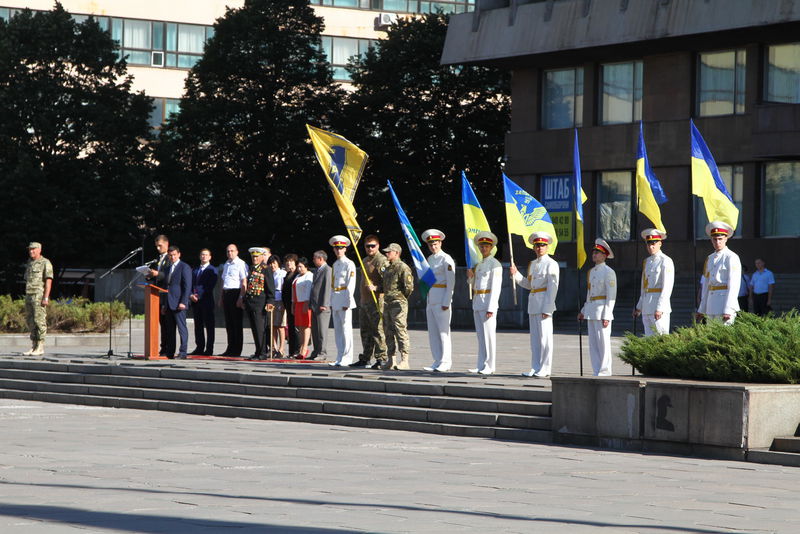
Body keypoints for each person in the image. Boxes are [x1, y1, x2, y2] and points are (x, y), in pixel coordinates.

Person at [510, 231, 559, 378]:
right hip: (533, 304)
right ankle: (536, 367)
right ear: (534, 247)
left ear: (547, 247)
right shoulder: (533, 264)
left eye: (543, 245)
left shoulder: (551, 264)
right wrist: (516, 274)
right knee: (535, 340)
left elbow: (553, 288)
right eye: (537, 245)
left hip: (544, 304)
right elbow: (529, 284)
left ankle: (545, 368)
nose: (540, 248)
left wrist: (548, 308)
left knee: (545, 339)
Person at [578, 239, 617, 376]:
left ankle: (605, 370)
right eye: (594, 252)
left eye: (598, 252)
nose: (594, 254)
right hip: (591, 310)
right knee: (593, 343)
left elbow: (611, 295)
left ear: (605, 255)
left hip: (602, 311)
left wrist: (607, 315)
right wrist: (583, 310)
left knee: (603, 343)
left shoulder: (608, 272)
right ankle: (596, 370)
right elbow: (590, 293)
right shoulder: (591, 272)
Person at [467, 231, 502, 375]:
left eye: (486, 246)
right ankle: (481, 364)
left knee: (488, 335)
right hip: (478, 301)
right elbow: (474, 284)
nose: (483, 249)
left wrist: (491, 307)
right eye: (481, 246)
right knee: (480, 336)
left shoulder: (495, 264)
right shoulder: (479, 264)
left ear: (491, 247)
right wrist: (470, 277)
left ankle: (490, 365)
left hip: (488, 302)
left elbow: (496, 287)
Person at [421, 229, 455, 372]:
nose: (433, 247)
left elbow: (451, 282)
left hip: (442, 297)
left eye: (435, 244)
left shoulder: (446, 259)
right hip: (431, 297)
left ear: (440, 243)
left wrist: (447, 302)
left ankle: (446, 361)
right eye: (430, 244)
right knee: (433, 332)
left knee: (443, 332)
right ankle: (437, 360)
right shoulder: (429, 259)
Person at [351, 235, 388, 368]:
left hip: (377, 301)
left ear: (378, 246)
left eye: (373, 246)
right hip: (365, 301)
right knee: (365, 331)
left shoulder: (382, 261)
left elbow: (389, 282)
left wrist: (377, 287)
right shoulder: (365, 260)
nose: (370, 248)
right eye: (368, 246)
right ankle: (366, 358)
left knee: (378, 331)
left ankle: (382, 358)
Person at [697, 221, 741, 325]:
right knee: (711, 338)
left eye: (720, 239)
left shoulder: (731, 257)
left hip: (724, 303)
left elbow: (734, 285)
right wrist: (702, 308)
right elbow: (706, 285)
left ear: (726, 238)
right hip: (711, 305)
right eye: (714, 239)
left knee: (724, 338)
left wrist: (729, 308)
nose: (717, 242)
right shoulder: (710, 258)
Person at [633, 229, 674, 337]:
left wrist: (660, 308)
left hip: (658, 307)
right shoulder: (647, 262)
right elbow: (644, 287)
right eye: (648, 244)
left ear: (660, 243)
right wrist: (639, 307)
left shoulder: (665, 260)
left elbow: (667, 287)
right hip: (647, 306)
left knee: (660, 339)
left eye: (653, 244)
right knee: (648, 340)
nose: (651, 247)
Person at [381, 243, 414, 370]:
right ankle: (391, 359)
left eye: (389, 252)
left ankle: (405, 360)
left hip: (398, 303)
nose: (387, 253)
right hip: (388, 303)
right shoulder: (388, 268)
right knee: (388, 331)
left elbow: (409, 287)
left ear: (397, 253)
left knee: (400, 331)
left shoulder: (402, 267)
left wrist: (400, 298)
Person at [329, 235, 357, 366]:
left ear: (345, 249)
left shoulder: (349, 264)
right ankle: (340, 356)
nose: (338, 250)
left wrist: (348, 301)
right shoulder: (335, 264)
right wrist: (331, 301)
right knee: (338, 330)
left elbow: (351, 284)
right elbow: (332, 284)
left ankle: (347, 357)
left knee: (346, 330)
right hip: (336, 297)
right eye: (336, 248)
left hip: (344, 297)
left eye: (341, 248)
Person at [22, 242, 53, 356]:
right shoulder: (29, 263)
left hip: (39, 296)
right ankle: (34, 345)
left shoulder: (45, 263)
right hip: (29, 295)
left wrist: (45, 297)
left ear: (39, 249)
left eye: (33, 249)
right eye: (30, 249)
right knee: (30, 321)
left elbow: (48, 281)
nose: (31, 251)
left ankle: (40, 346)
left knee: (39, 321)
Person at [244, 247, 275, 360]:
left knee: (260, 328)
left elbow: (270, 286)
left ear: (262, 257)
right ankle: (258, 351)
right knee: (254, 328)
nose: (255, 258)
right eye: (253, 256)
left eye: (257, 256)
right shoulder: (251, 268)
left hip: (260, 303)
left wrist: (270, 301)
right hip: (251, 302)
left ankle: (262, 352)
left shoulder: (265, 269)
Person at [162, 246, 192, 359]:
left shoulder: (184, 267)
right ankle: (170, 352)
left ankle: (183, 352)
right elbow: (166, 287)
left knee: (181, 328)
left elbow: (187, 286)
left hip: (179, 302)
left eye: (174, 254)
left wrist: (184, 301)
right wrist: (164, 304)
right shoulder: (168, 268)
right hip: (169, 303)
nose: (172, 257)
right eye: (170, 255)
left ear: (179, 254)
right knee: (169, 330)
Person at [218, 244, 248, 357]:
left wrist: (241, 297)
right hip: (227, 293)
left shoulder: (241, 264)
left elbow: (244, 281)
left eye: (232, 251)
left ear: (237, 252)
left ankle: (237, 350)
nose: (230, 253)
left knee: (236, 323)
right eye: (228, 251)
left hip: (236, 293)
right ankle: (230, 348)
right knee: (229, 323)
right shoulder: (226, 264)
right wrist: (221, 297)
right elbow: (223, 281)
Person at [189, 248, 218, 355]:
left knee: (209, 326)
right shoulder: (195, 270)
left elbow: (210, 286)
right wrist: (191, 295)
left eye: (206, 255)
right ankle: (199, 347)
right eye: (202, 254)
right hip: (195, 302)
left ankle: (209, 349)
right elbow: (191, 284)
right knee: (198, 325)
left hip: (206, 301)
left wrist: (198, 295)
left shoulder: (212, 270)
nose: (204, 256)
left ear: (210, 257)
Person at [147, 234, 170, 356]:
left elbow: (168, 276)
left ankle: (167, 348)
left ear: (167, 244)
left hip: (166, 294)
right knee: (161, 323)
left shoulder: (170, 258)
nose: (157, 248)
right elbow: (157, 277)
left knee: (167, 324)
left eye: (160, 246)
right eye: (156, 246)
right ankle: (161, 347)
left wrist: (157, 274)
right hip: (156, 295)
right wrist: (149, 275)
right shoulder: (157, 259)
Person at [309, 250, 331, 361]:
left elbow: (327, 288)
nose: (313, 260)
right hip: (314, 305)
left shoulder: (327, 270)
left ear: (321, 259)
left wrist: (325, 303)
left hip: (322, 306)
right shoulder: (317, 270)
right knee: (315, 330)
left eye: (314, 258)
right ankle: (316, 350)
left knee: (322, 331)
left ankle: (322, 352)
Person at [292, 257, 314, 359]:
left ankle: (305, 347)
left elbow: (308, 290)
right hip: (297, 302)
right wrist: (293, 303)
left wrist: (306, 302)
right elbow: (294, 291)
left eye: (301, 266)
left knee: (306, 326)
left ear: (306, 267)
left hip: (305, 302)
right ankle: (301, 346)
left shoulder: (309, 276)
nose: (299, 268)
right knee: (300, 326)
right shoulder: (297, 276)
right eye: (298, 266)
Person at [267, 255, 287, 357]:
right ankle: (273, 347)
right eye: (270, 263)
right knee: (272, 325)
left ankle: (281, 348)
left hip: (280, 300)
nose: (272, 265)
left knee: (280, 325)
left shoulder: (282, 273)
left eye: (274, 263)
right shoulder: (270, 274)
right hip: (272, 300)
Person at [282, 253, 299, 357]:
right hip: (288, 304)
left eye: (291, 262)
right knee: (290, 328)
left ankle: (297, 350)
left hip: (295, 304)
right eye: (287, 262)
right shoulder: (287, 275)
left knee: (295, 328)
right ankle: (291, 351)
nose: (289, 264)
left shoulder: (297, 274)